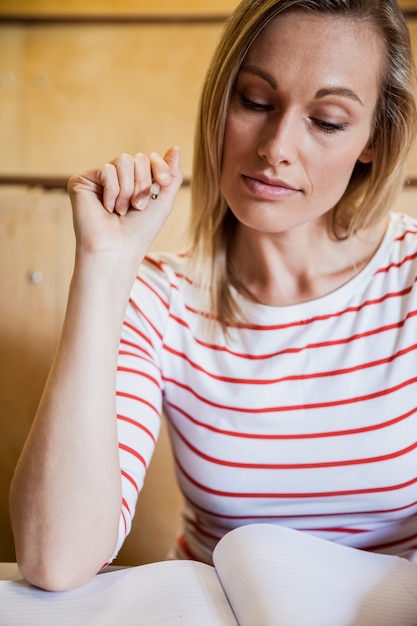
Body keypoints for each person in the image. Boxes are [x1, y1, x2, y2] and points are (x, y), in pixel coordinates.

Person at [9, 0, 417, 593]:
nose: (276, 146)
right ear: (221, 101)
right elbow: (56, 557)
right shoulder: (159, 294)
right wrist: (104, 265)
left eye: (326, 120)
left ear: (373, 141)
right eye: (255, 101)